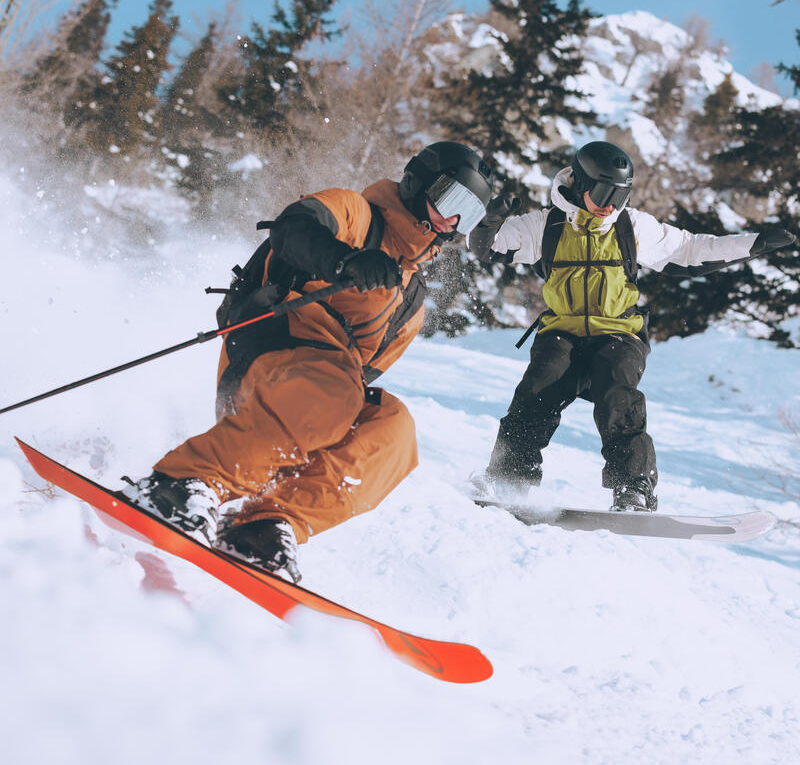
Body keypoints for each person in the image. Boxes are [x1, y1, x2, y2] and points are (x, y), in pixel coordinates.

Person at [121, 141, 494, 580]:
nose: (450, 220)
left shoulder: (411, 301)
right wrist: (345, 260)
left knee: (393, 431)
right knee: (332, 389)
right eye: (449, 199)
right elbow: (291, 229)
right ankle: (181, 483)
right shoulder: (356, 212)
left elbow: (365, 373)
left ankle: (264, 525)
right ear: (416, 182)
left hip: (312, 402)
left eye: (467, 216)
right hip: (269, 342)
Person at [468, 140, 795, 511]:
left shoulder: (630, 226)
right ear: (579, 183)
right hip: (562, 332)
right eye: (604, 192)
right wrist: (489, 221)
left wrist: (753, 243)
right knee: (536, 392)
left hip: (619, 334)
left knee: (617, 396)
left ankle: (634, 489)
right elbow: (487, 247)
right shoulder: (546, 225)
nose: (610, 204)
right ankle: (508, 478)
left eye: (620, 195)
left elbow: (690, 250)